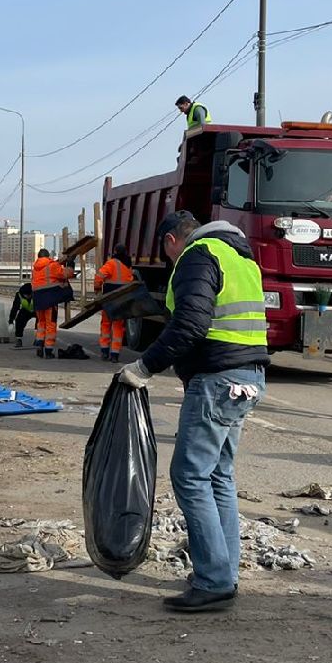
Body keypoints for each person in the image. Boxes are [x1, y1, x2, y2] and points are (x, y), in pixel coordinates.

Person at [117, 211, 268, 612]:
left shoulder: (197, 255)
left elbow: (190, 324)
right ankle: (223, 572)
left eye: (166, 252)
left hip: (217, 379)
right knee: (218, 475)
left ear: (171, 240)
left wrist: (144, 367)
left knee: (190, 476)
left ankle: (214, 581)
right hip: (247, 376)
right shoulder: (241, 257)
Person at [95, 244, 136, 362]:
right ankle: (115, 354)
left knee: (106, 324)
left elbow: (99, 276)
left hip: (109, 299)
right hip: (122, 300)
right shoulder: (128, 265)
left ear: (115, 252)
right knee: (118, 326)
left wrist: (97, 288)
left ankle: (104, 351)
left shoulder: (111, 263)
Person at [31, 248, 71, 360]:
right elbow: (66, 274)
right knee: (50, 324)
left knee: (41, 323)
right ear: (48, 257)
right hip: (50, 300)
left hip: (38, 300)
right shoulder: (52, 265)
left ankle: (39, 344)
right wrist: (71, 265)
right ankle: (48, 350)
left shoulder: (35, 268)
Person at [11, 280, 36, 348]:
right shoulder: (19, 295)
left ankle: (39, 339)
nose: (27, 297)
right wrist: (11, 320)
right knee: (19, 320)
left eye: (29, 295)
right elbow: (15, 308)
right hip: (25, 310)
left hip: (37, 310)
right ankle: (19, 339)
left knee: (41, 323)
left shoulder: (37, 293)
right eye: (26, 295)